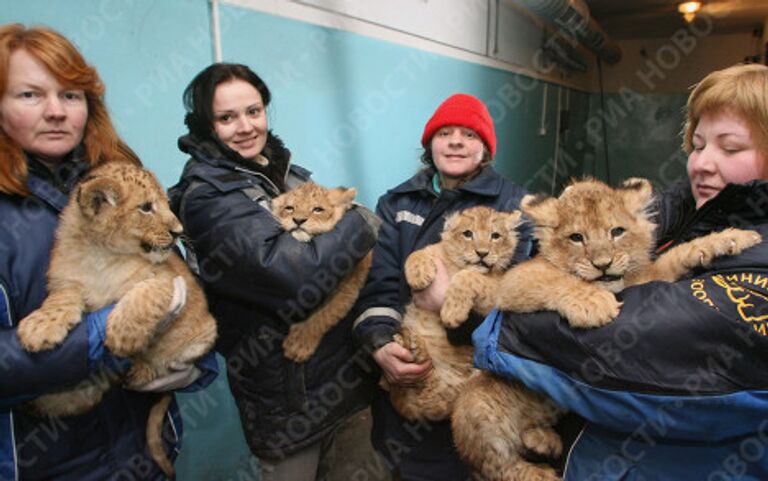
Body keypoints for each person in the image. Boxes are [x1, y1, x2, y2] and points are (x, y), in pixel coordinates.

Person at [473, 63, 768, 480]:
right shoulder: (689, 207)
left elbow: (623, 344)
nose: (702, 163)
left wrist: (501, 324)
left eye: (731, 148)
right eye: (698, 144)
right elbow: (646, 263)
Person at [0, 24, 217, 481]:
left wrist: (194, 355)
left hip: (142, 450)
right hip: (48, 465)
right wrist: (100, 336)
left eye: (72, 95)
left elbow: (172, 271)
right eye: (30, 95)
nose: (57, 112)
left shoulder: (124, 174)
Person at [168, 63, 380, 481]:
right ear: (205, 125)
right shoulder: (207, 196)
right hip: (289, 404)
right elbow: (293, 276)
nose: (246, 126)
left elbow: (348, 263)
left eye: (254, 111)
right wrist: (362, 222)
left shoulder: (288, 174)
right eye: (227, 118)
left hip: (348, 380)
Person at [352, 93, 532, 481]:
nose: (455, 141)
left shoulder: (515, 207)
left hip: (478, 382)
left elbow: (521, 304)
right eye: (445, 133)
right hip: (408, 377)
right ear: (429, 143)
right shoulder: (396, 202)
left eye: (468, 134)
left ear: (484, 148)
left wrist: (450, 306)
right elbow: (377, 286)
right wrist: (380, 344)